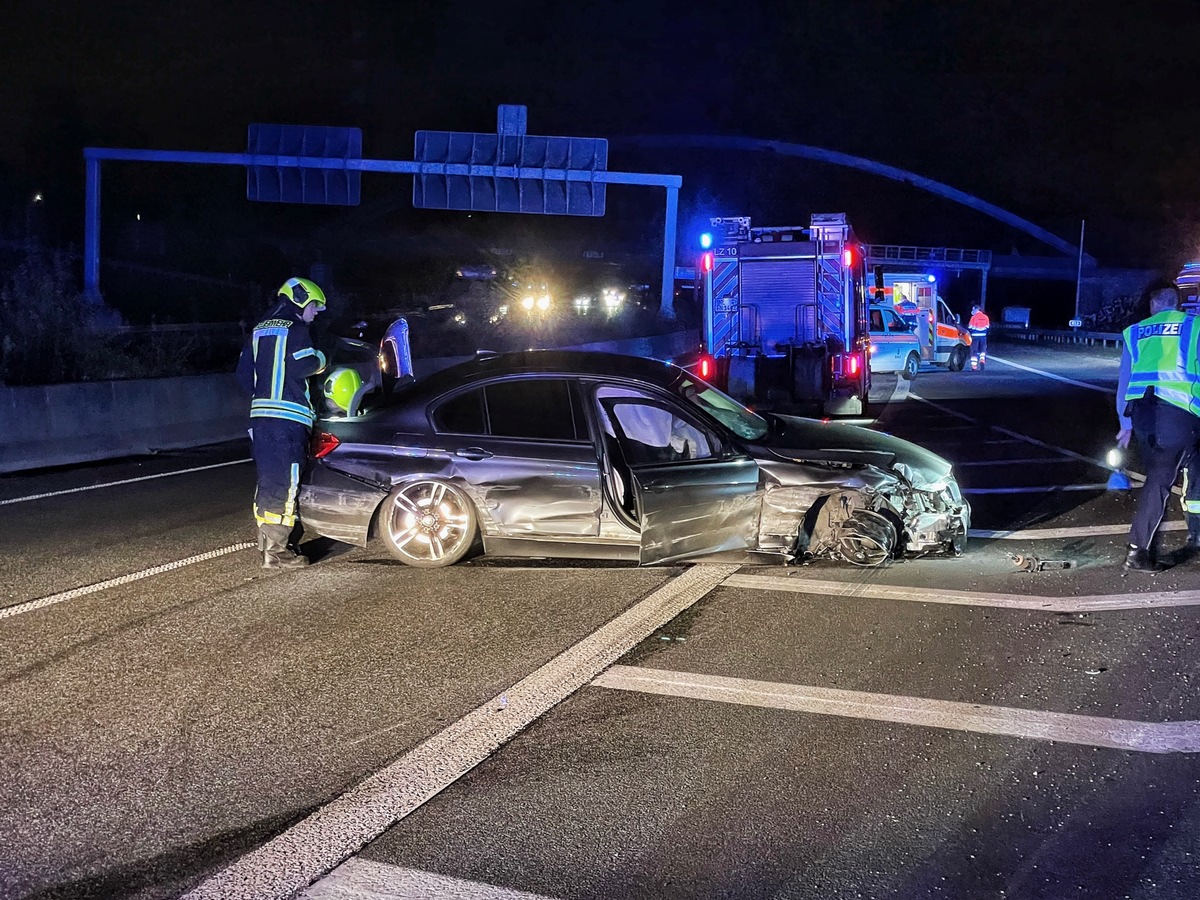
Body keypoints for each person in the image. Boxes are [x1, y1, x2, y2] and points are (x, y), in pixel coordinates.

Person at [236, 277, 328, 568]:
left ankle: (267, 546)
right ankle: (277, 553)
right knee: (286, 482)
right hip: (287, 419)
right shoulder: (297, 330)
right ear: (302, 300)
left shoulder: (257, 330)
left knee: (268, 479)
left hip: (260, 419)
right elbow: (305, 365)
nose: (315, 313)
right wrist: (323, 358)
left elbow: (242, 375)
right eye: (314, 306)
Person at [1115, 282, 1200, 571]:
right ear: (1177, 303)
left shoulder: (1135, 332)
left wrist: (1124, 424)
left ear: (1153, 305)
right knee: (1166, 477)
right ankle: (1138, 550)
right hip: (1178, 414)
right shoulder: (1194, 327)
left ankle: (1191, 533)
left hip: (1142, 417)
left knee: (1162, 474)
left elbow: (1124, 383)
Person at [968, 304, 991, 370]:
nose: (972, 311)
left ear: (976, 309)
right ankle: (982, 360)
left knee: (974, 350)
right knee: (983, 350)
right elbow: (987, 327)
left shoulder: (973, 317)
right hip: (983, 336)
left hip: (975, 337)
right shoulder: (986, 317)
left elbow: (970, 327)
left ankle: (974, 366)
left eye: (973, 309)